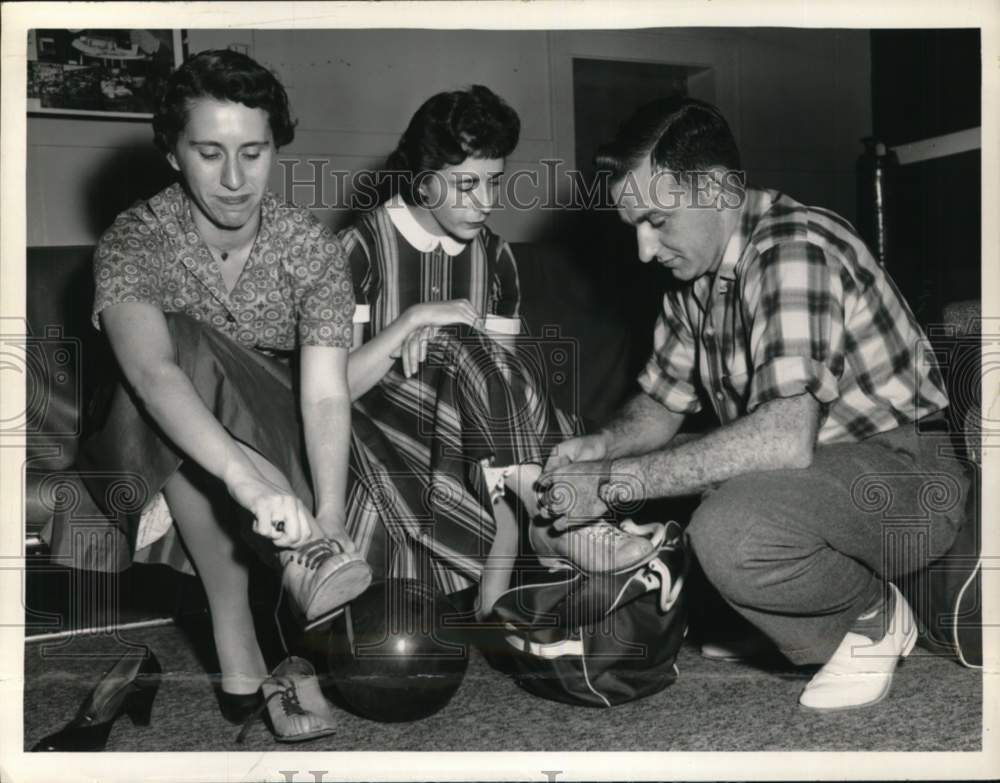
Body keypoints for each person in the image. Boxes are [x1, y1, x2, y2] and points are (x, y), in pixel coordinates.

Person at [538, 97, 969, 711]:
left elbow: (782, 438)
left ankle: (870, 614)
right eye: (633, 224)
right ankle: (783, 608)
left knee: (733, 528)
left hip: (907, 477)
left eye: (657, 220)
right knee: (696, 473)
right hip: (822, 475)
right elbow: (661, 406)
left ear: (716, 189)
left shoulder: (790, 250)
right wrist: (602, 447)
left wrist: (610, 483)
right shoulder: (697, 283)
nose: (643, 248)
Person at [43, 50, 366, 742]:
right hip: (160, 435)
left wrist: (333, 508)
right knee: (178, 348)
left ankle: (260, 619)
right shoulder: (136, 239)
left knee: (200, 371)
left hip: (281, 432)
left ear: (276, 148)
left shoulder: (309, 247)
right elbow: (154, 372)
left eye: (253, 152)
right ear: (171, 151)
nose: (233, 178)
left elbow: (324, 397)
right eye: (209, 152)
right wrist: (249, 484)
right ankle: (272, 594)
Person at [337, 85, 657, 615]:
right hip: (379, 427)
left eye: (494, 183)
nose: (485, 203)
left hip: (472, 433)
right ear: (421, 177)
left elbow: (502, 379)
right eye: (466, 185)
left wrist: (446, 342)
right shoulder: (361, 247)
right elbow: (337, 387)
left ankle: (524, 517)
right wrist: (412, 325)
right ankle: (544, 518)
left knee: (478, 349)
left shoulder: (497, 257)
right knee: (459, 336)